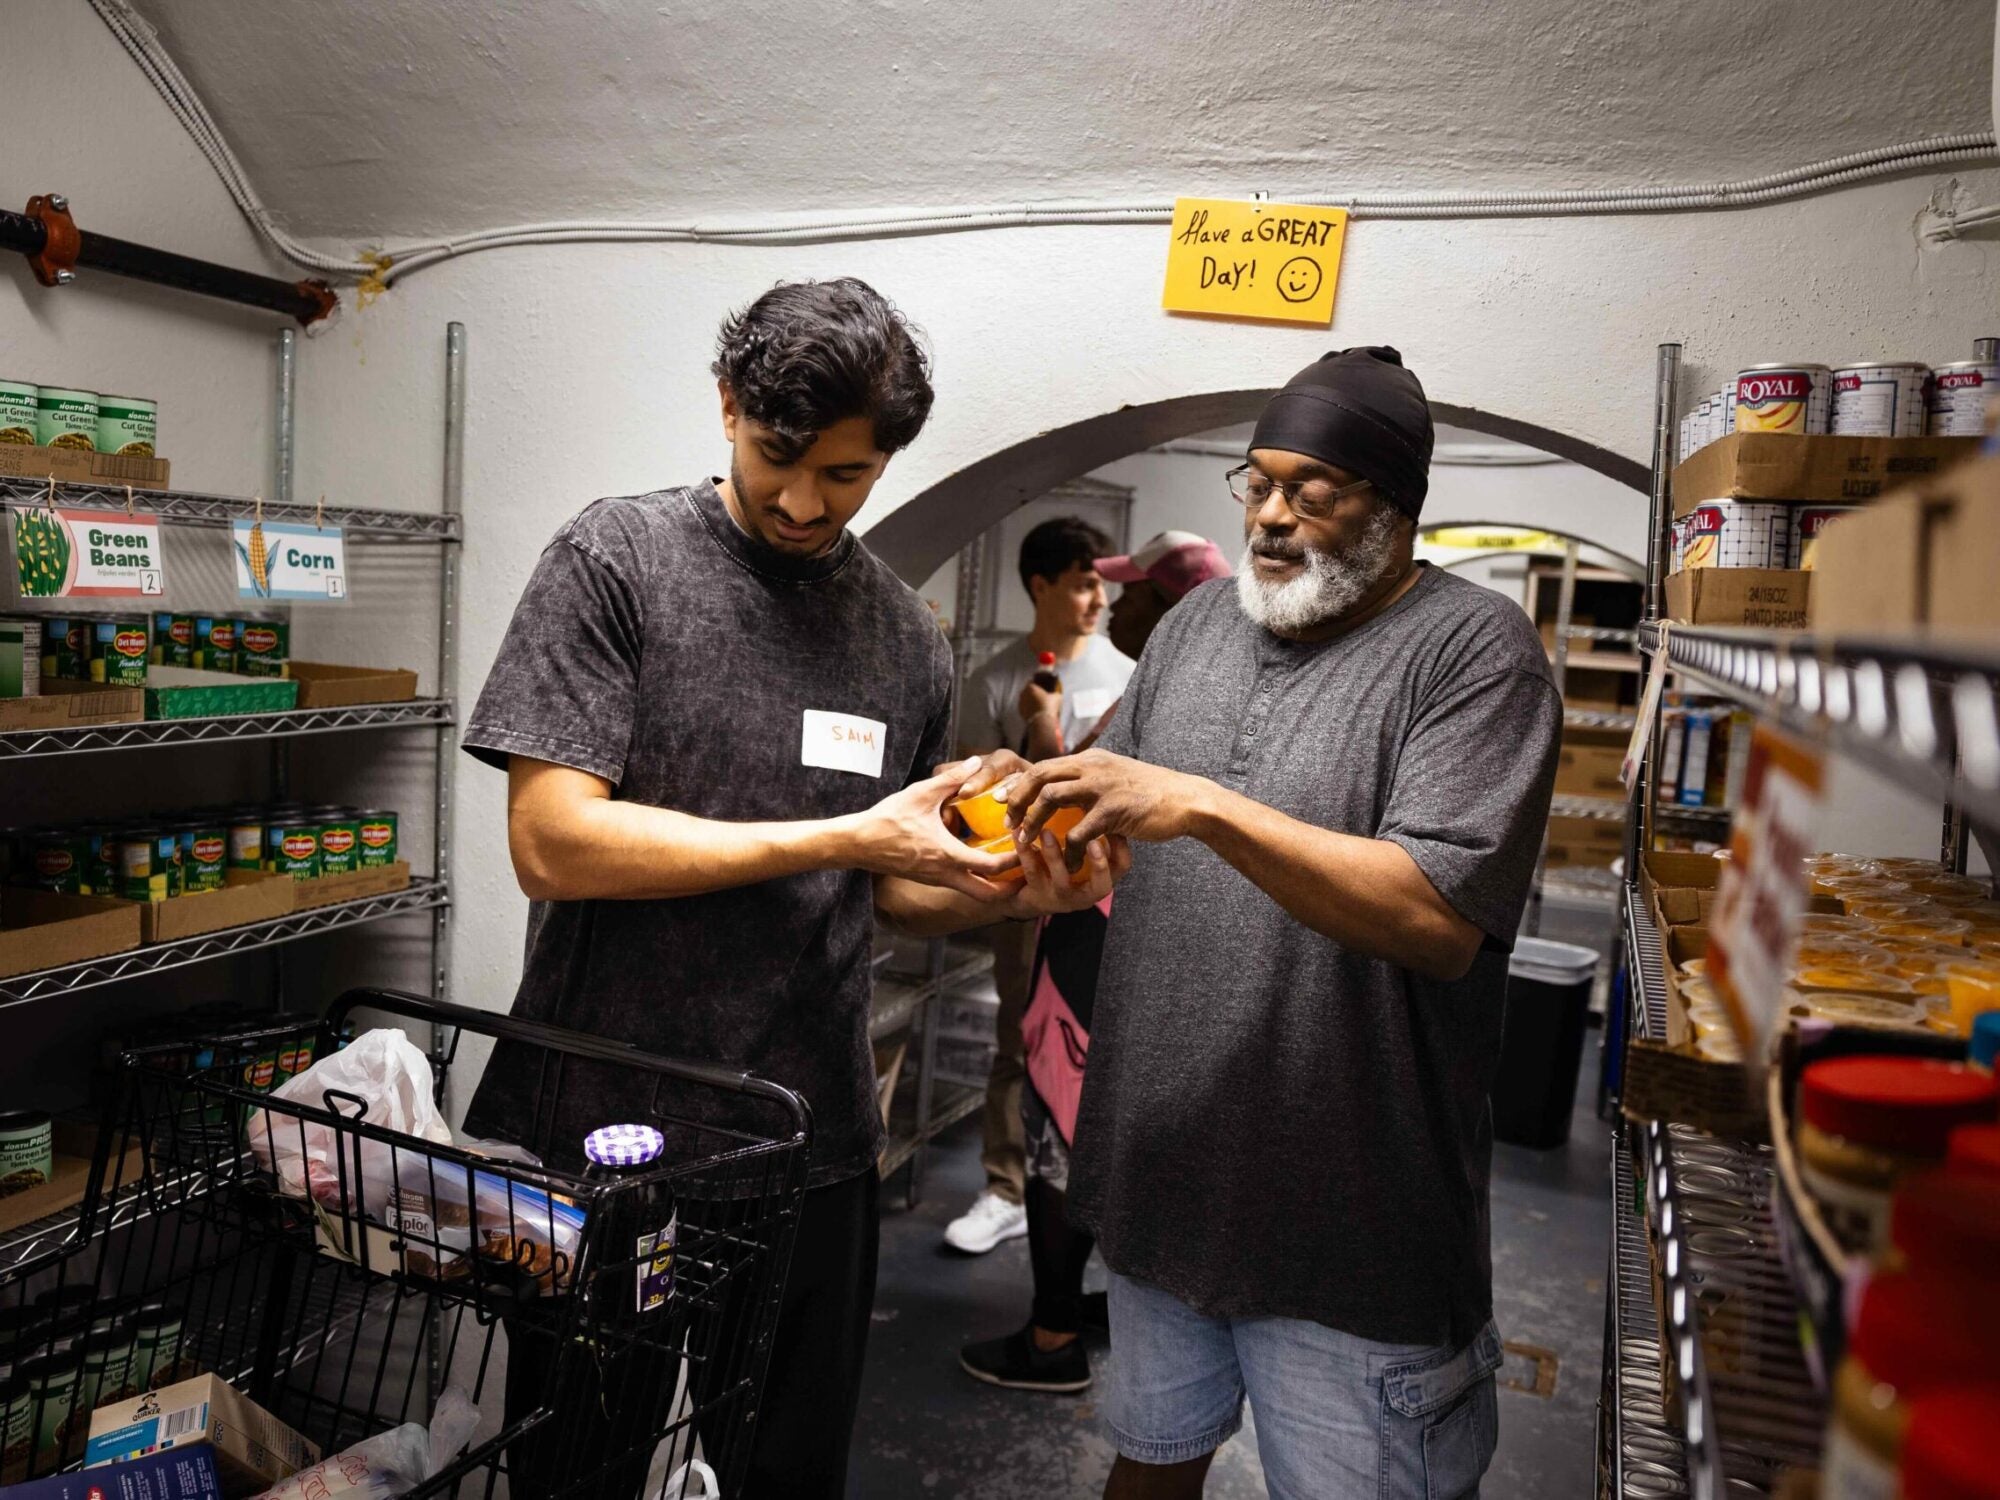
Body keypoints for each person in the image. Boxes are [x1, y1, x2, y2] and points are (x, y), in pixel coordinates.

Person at [457, 278, 1124, 1499]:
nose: (807, 502)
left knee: (785, 1470)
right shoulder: (619, 561)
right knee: (578, 1464)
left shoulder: (899, 636)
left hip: (802, 1137)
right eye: (780, 458)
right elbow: (553, 841)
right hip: (609, 1122)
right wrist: (838, 838)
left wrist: (1012, 885)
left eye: (849, 474)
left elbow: (895, 886)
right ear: (725, 404)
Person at [988, 348, 1563, 1499]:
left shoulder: (1472, 652)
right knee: (1147, 1467)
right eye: (1255, 484)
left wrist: (1199, 806)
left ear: (1395, 506)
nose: (1271, 518)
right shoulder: (1199, 625)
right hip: (1162, 1191)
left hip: (1347, 1231)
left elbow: (1434, 915)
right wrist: (1021, 802)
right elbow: (1108, 802)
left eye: (1315, 490)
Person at [958, 531, 1231, 1395]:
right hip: (1166, 947)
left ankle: (1051, 1337)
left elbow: (1067, 815)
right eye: (1095, 587)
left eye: (1131, 592)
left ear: (1170, 605)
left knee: (1058, 1131)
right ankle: (1104, 1305)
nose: (1114, 604)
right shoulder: (1229, 689)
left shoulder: (1157, 690)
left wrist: (1039, 736)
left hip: (1095, 938)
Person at [943, 517, 1137, 1255]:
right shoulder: (993, 680)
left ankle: (1088, 1202)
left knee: (1106, 1051)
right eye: (1085, 583)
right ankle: (1004, 1188)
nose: (1099, 599)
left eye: (1104, 586)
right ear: (1041, 585)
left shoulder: (1131, 679)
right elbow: (965, 805)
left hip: (1115, 903)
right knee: (1019, 1037)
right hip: (1024, 895)